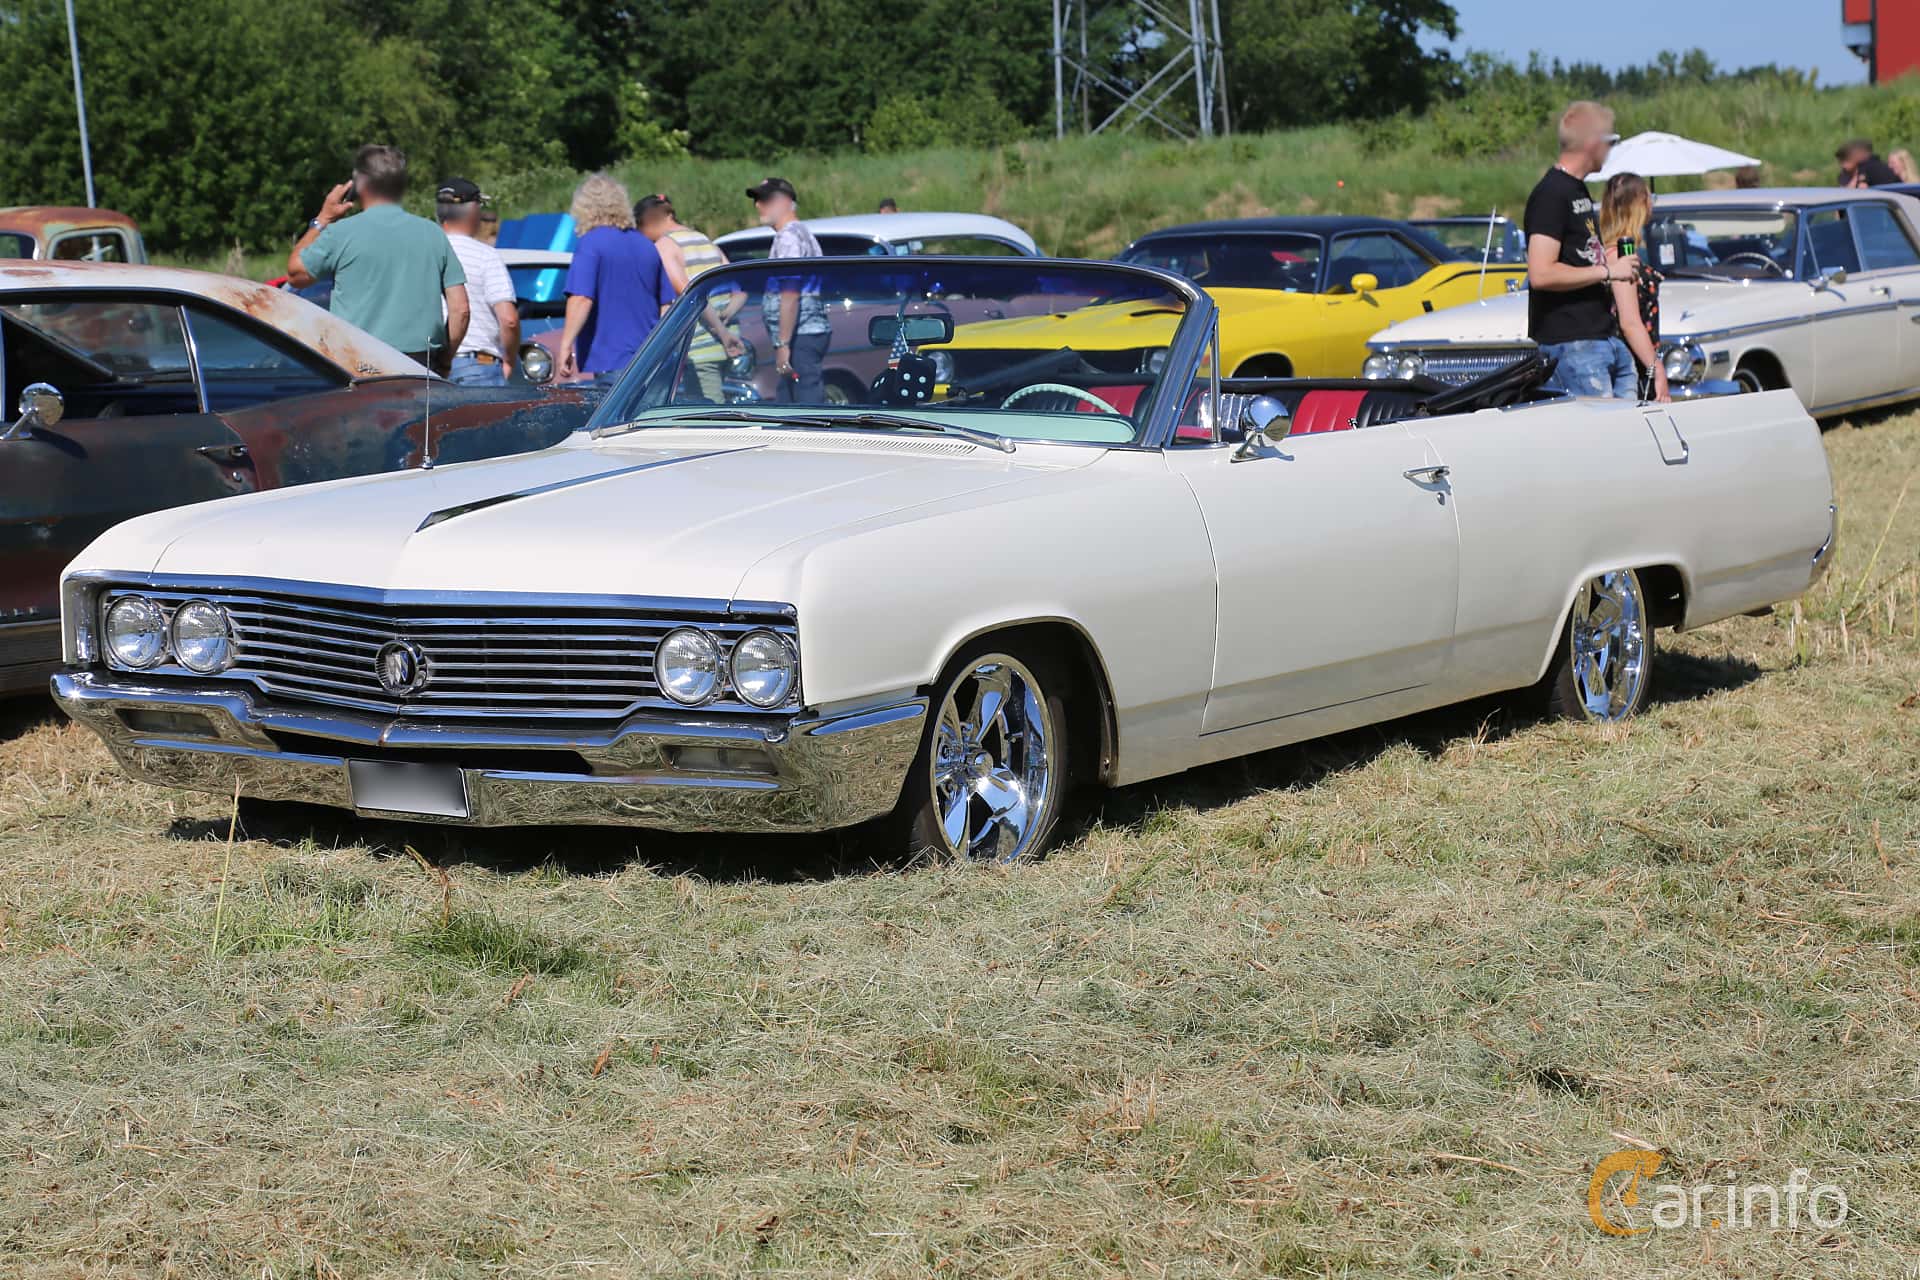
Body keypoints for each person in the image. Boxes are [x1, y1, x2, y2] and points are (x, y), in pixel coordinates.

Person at [287, 144, 468, 370]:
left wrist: (322, 219)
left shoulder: (341, 233)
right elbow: (460, 309)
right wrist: (444, 360)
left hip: (357, 363)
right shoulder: (433, 234)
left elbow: (295, 274)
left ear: (359, 184)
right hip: (420, 366)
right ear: (402, 185)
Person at [1524, 102, 1637, 398]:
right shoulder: (1552, 194)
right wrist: (1609, 271)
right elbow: (1541, 273)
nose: (1612, 149)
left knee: (1629, 426)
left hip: (1602, 338)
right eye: (1611, 140)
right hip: (1573, 343)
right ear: (1593, 143)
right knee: (1603, 428)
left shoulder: (1576, 190)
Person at [556, 174, 675, 383]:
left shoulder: (590, 243)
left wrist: (565, 344)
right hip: (652, 358)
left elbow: (581, 299)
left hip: (612, 360)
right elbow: (666, 304)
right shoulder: (645, 244)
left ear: (584, 208)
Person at [636, 193, 745, 400]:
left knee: (708, 411)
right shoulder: (705, 240)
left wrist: (721, 332)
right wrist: (726, 315)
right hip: (731, 342)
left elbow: (691, 295)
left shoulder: (665, 246)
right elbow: (739, 291)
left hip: (700, 347)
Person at [747, 177, 831, 403]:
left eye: (765, 199)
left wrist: (783, 344)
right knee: (788, 397)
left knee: (804, 402)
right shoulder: (801, 232)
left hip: (800, 334)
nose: (758, 205)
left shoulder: (789, 236)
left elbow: (790, 293)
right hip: (804, 331)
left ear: (786, 201)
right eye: (757, 200)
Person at [437, 178, 519, 386]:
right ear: (474, 211)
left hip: (429, 367)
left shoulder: (423, 254)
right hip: (479, 367)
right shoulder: (486, 256)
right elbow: (509, 320)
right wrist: (510, 359)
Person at [1599, 173, 1668, 404]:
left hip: (1633, 360)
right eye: (1649, 198)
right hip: (1632, 366)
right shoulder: (1621, 255)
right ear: (1639, 203)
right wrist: (1656, 368)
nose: (1651, 204)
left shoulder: (1610, 251)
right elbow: (1629, 322)